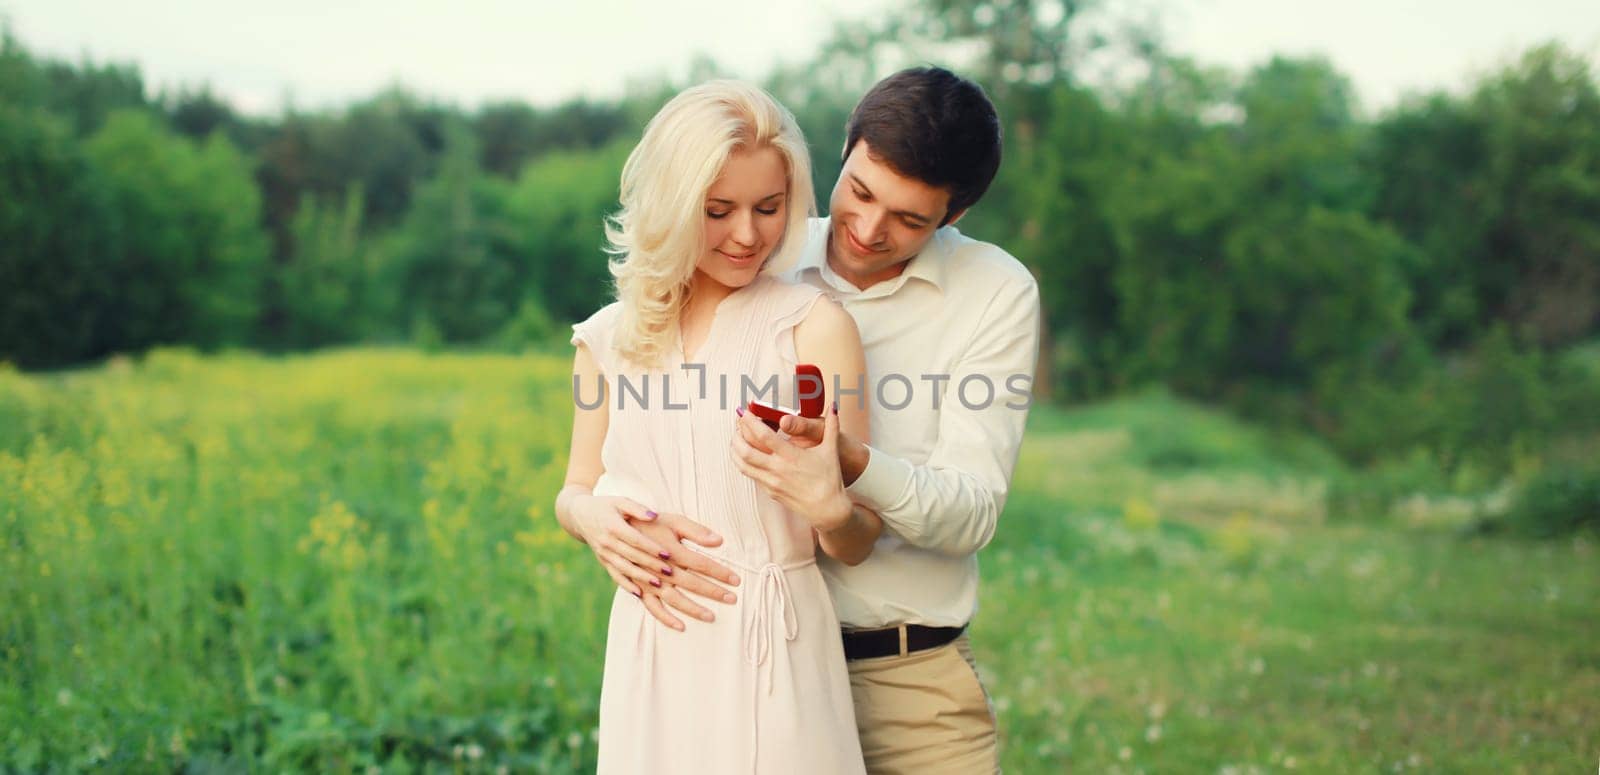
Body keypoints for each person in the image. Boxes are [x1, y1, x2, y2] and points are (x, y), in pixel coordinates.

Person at [600, 67, 1041, 774]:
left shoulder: (994, 292)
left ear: (953, 216)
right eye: (861, 192)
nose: (868, 229)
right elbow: (639, 434)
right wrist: (598, 518)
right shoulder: (754, 244)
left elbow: (970, 513)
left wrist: (850, 461)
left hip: (903, 680)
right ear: (846, 147)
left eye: (909, 219)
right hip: (732, 667)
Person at [555, 80, 879, 774]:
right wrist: (593, 520)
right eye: (717, 210)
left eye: (769, 207)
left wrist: (831, 510)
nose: (748, 234)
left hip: (775, 651)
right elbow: (573, 489)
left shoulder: (814, 327)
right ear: (671, 206)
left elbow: (859, 539)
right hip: (651, 651)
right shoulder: (607, 340)